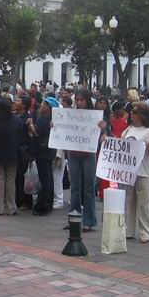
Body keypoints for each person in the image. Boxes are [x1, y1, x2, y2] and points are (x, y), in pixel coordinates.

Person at [121, 102, 149, 243]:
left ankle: (145, 231)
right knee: (129, 202)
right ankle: (128, 229)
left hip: (143, 171)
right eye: (132, 111)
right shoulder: (128, 129)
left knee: (143, 204)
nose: (132, 113)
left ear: (142, 115)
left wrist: (148, 148)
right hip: (129, 171)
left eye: (135, 112)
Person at [67, 90, 100, 231]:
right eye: (77, 100)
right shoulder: (71, 115)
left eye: (82, 100)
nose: (79, 102)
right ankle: (73, 219)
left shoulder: (94, 116)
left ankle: (89, 221)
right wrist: (54, 125)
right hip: (74, 153)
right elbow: (63, 129)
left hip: (88, 153)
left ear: (87, 101)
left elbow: (104, 133)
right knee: (74, 187)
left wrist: (103, 128)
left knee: (89, 188)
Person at [0, 96, 21, 215]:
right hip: (12, 153)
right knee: (11, 180)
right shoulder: (16, 120)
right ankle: (11, 207)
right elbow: (20, 135)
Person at [30, 97, 57, 216]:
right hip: (50, 150)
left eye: (44, 104)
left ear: (48, 107)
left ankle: (42, 206)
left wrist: (31, 125)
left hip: (42, 151)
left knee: (44, 179)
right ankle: (49, 203)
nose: (41, 105)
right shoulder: (52, 119)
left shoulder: (43, 118)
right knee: (49, 177)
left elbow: (37, 133)